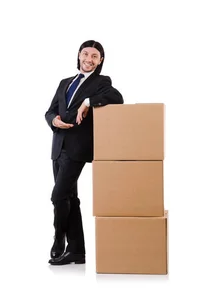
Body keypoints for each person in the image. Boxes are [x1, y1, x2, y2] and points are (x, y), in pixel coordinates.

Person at [44, 40, 123, 265]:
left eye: (95, 56)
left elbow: (117, 98)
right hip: (58, 146)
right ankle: (77, 251)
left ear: (100, 61)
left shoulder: (101, 82)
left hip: (77, 148)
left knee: (58, 196)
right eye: (86, 54)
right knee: (70, 198)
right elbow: (50, 111)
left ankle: (59, 238)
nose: (89, 59)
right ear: (79, 55)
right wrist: (54, 120)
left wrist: (88, 101)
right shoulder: (65, 82)